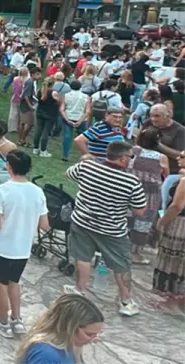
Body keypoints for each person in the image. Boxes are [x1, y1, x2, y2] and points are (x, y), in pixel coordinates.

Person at [64, 140, 146, 316]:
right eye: (130, 157)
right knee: (121, 265)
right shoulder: (131, 181)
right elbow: (140, 211)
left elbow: (68, 173)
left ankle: (79, 289)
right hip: (112, 230)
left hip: (83, 221)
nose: (131, 160)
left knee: (83, 257)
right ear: (123, 158)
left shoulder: (86, 167)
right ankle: (125, 301)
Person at [0, 150, 49, 338]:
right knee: (14, 281)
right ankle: (16, 319)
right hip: (23, 248)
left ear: (9, 166)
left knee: (0, 283)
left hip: (2, 246)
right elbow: (45, 225)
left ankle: (2, 321)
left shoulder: (1, 191)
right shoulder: (38, 192)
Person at [15, 294, 104, 364]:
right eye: (89, 334)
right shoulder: (46, 353)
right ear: (70, 327)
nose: (94, 339)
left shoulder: (69, 342)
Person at [128, 128, 168, 264]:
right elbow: (166, 175)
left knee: (127, 218)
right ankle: (135, 253)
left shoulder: (134, 151)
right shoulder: (161, 157)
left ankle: (121, 248)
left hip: (131, 190)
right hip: (150, 194)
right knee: (143, 223)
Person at [155, 174, 185, 302]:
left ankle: (165, 297)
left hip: (179, 226)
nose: (178, 157)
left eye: (183, 156)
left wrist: (161, 222)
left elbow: (176, 206)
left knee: (170, 262)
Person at [60, 79, 90, 162]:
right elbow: (87, 111)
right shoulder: (86, 97)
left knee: (67, 136)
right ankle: (86, 156)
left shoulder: (65, 95)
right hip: (81, 119)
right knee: (84, 138)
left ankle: (65, 155)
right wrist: (80, 121)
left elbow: (62, 109)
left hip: (69, 118)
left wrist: (67, 119)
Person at [32, 75, 61, 158]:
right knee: (46, 132)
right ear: (53, 84)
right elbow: (58, 102)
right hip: (50, 114)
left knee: (38, 130)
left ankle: (36, 148)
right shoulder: (54, 92)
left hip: (40, 112)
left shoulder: (40, 90)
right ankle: (43, 150)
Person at [17, 67, 39, 147]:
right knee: (29, 123)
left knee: (23, 123)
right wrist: (30, 105)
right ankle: (22, 139)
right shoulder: (30, 82)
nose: (39, 76)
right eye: (37, 74)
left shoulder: (30, 81)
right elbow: (26, 95)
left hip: (25, 104)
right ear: (32, 74)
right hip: (26, 105)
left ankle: (21, 139)